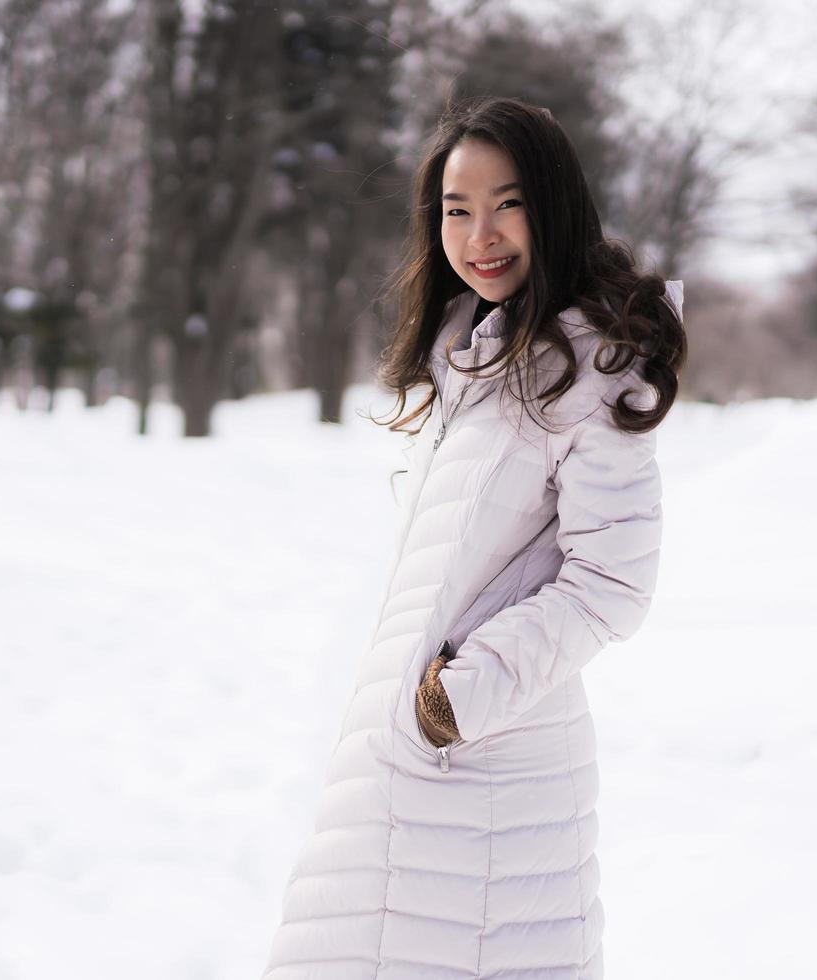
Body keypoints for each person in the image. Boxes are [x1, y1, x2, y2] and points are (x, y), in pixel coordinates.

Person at [259, 95, 687, 980]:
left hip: (489, 772)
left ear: (555, 205)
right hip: (418, 766)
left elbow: (613, 582)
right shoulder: (475, 355)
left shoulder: (595, 364)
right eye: (457, 210)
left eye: (507, 203)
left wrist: (464, 695)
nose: (479, 233)